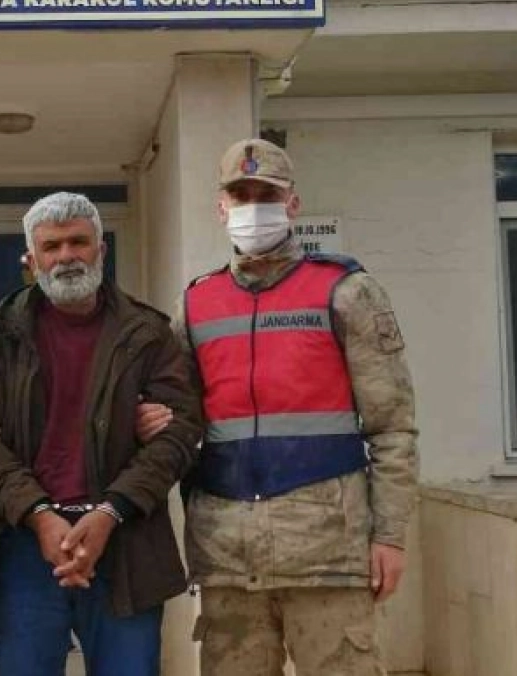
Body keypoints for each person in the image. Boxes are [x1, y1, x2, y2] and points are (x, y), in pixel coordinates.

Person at [173, 138, 419, 675]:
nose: (252, 206)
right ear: (221, 207)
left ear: (293, 204)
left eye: (266, 194)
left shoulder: (348, 291)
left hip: (326, 553)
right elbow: (177, 423)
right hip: (227, 558)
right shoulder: (194, 304)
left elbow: (393, 427)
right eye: (241, 195)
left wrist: (389, 537)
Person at [0, 191, 203, 676]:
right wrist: (39, 515)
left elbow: (180, 432)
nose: (67, 256)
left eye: (79, 242)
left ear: (101, 250)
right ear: (31, 260)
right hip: (21, 545)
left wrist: (111, 510)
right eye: (52, 246)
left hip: (126, 542)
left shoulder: (149, 334)